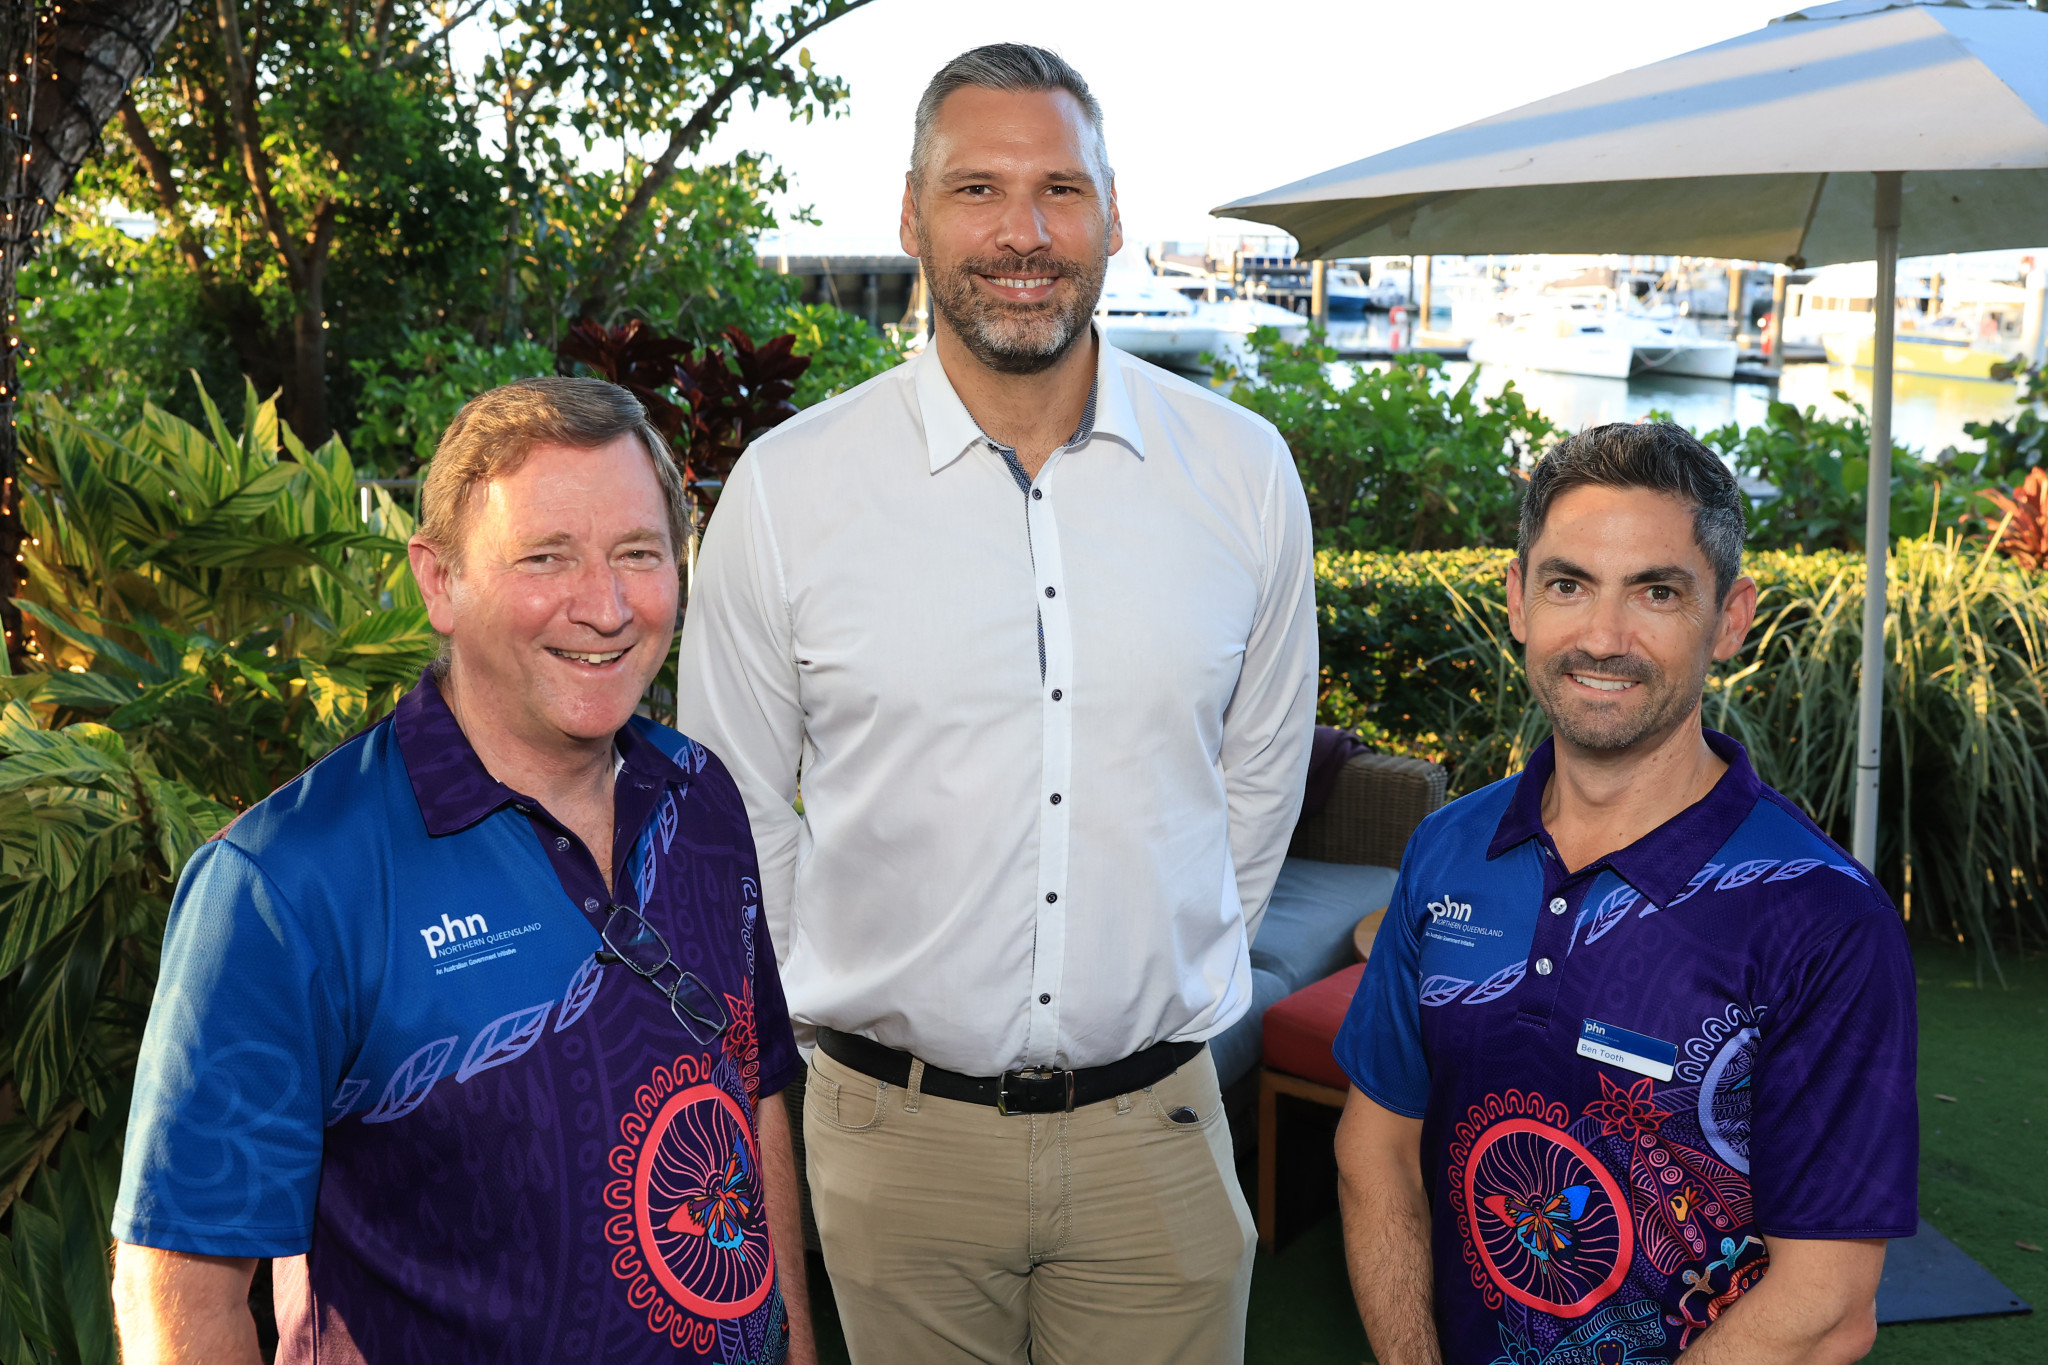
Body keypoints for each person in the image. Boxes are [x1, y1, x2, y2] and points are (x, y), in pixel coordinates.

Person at [675, 42, 1317, 1365]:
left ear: (1114, 218)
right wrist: (836, 1028)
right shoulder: (789, 494)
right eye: (977, 189)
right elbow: (732, 806)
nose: (1021, 233)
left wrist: (1154, 983)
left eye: (1059, 191)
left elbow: (1259, 774)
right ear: (911, 216)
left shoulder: (1243, 475)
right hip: (890, 1145)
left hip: (1158, 1135)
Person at [110, 378, 815, 1365]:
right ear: (438, 581)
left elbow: (749, 1095)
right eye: (546, 559)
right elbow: (182, 1296)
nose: (606, 607)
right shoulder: (283, 885)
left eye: (637, 556)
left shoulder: (699, 798)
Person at [1332, 422, 1918, 1365]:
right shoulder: (1449, 847)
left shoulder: (1821, 915)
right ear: (1520, 601)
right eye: (1569, 584)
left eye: (1656, 591)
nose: (1603, 638)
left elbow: (1830, 1303)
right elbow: (1377, 1147)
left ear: (1730, 618)